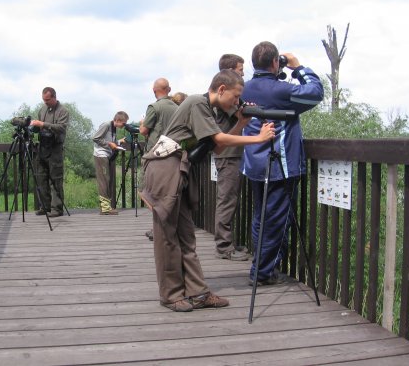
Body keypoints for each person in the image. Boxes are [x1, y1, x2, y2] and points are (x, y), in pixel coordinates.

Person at [139, 69, 275, 312]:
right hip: (164, 169)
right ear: (221, 89)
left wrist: (242, 123)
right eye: (235, 96)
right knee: (168, 237)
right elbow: (220, 139)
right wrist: (259, 139)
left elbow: (218, 147)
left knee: (186, 236)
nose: (237, 102)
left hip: (176, 168)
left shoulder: (208, 110)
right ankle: (170, 295)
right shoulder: (196, 102)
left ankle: (197, 292)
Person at [240, 41, 324, 285]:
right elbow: (316, 92)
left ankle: (265, 266)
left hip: (254, 164)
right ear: (276, 62)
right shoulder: (281, 90)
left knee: (261, 217)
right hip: (280, 166)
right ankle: (262, 273)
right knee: (275, 220)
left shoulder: (244, 89)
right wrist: (298, 68)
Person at [213, 54, 249, 261]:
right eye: (240, 69)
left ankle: (226, 242)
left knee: (228, 199)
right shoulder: (226, 98)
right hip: (227, 154)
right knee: (227, 200)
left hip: (227, 153)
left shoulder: (225, 95)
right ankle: (224, 246)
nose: (243, 73)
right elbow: (240, 115)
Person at [139, 78, 178, 241]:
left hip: (155, 154)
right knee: (166, 193)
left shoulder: (154, 107)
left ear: (154, 91)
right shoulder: (177, 107)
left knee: (144, 191)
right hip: (173, 153)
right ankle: (165, 226)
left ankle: (160, 226)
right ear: (169, 89)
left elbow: (143, 130)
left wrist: (142, 123)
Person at [31, 87, 69, 217]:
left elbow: (61, 128)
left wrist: (42, 124)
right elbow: (39, 127)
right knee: (41, 178)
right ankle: (45, 207)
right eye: (43, 100)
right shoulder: (42, 110)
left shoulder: (63, 111)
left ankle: (57, 209)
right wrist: (33, 127)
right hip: (42, 147)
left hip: (55, 149)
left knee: (55, 180)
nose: (45, 102)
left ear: (54, 97)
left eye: (47, 100)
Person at [92, 111, 129, 215]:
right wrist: (110, 144)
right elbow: (95, 138)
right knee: (104, 180)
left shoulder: (114, 127)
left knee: (107, 180)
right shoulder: (106, 125)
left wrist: (118, 142)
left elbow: (110, 141)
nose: (124, 125)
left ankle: (107, 207)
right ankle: (105, 208)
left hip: (107, 155)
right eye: (124, 123)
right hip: (100, 155)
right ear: (117, 120)